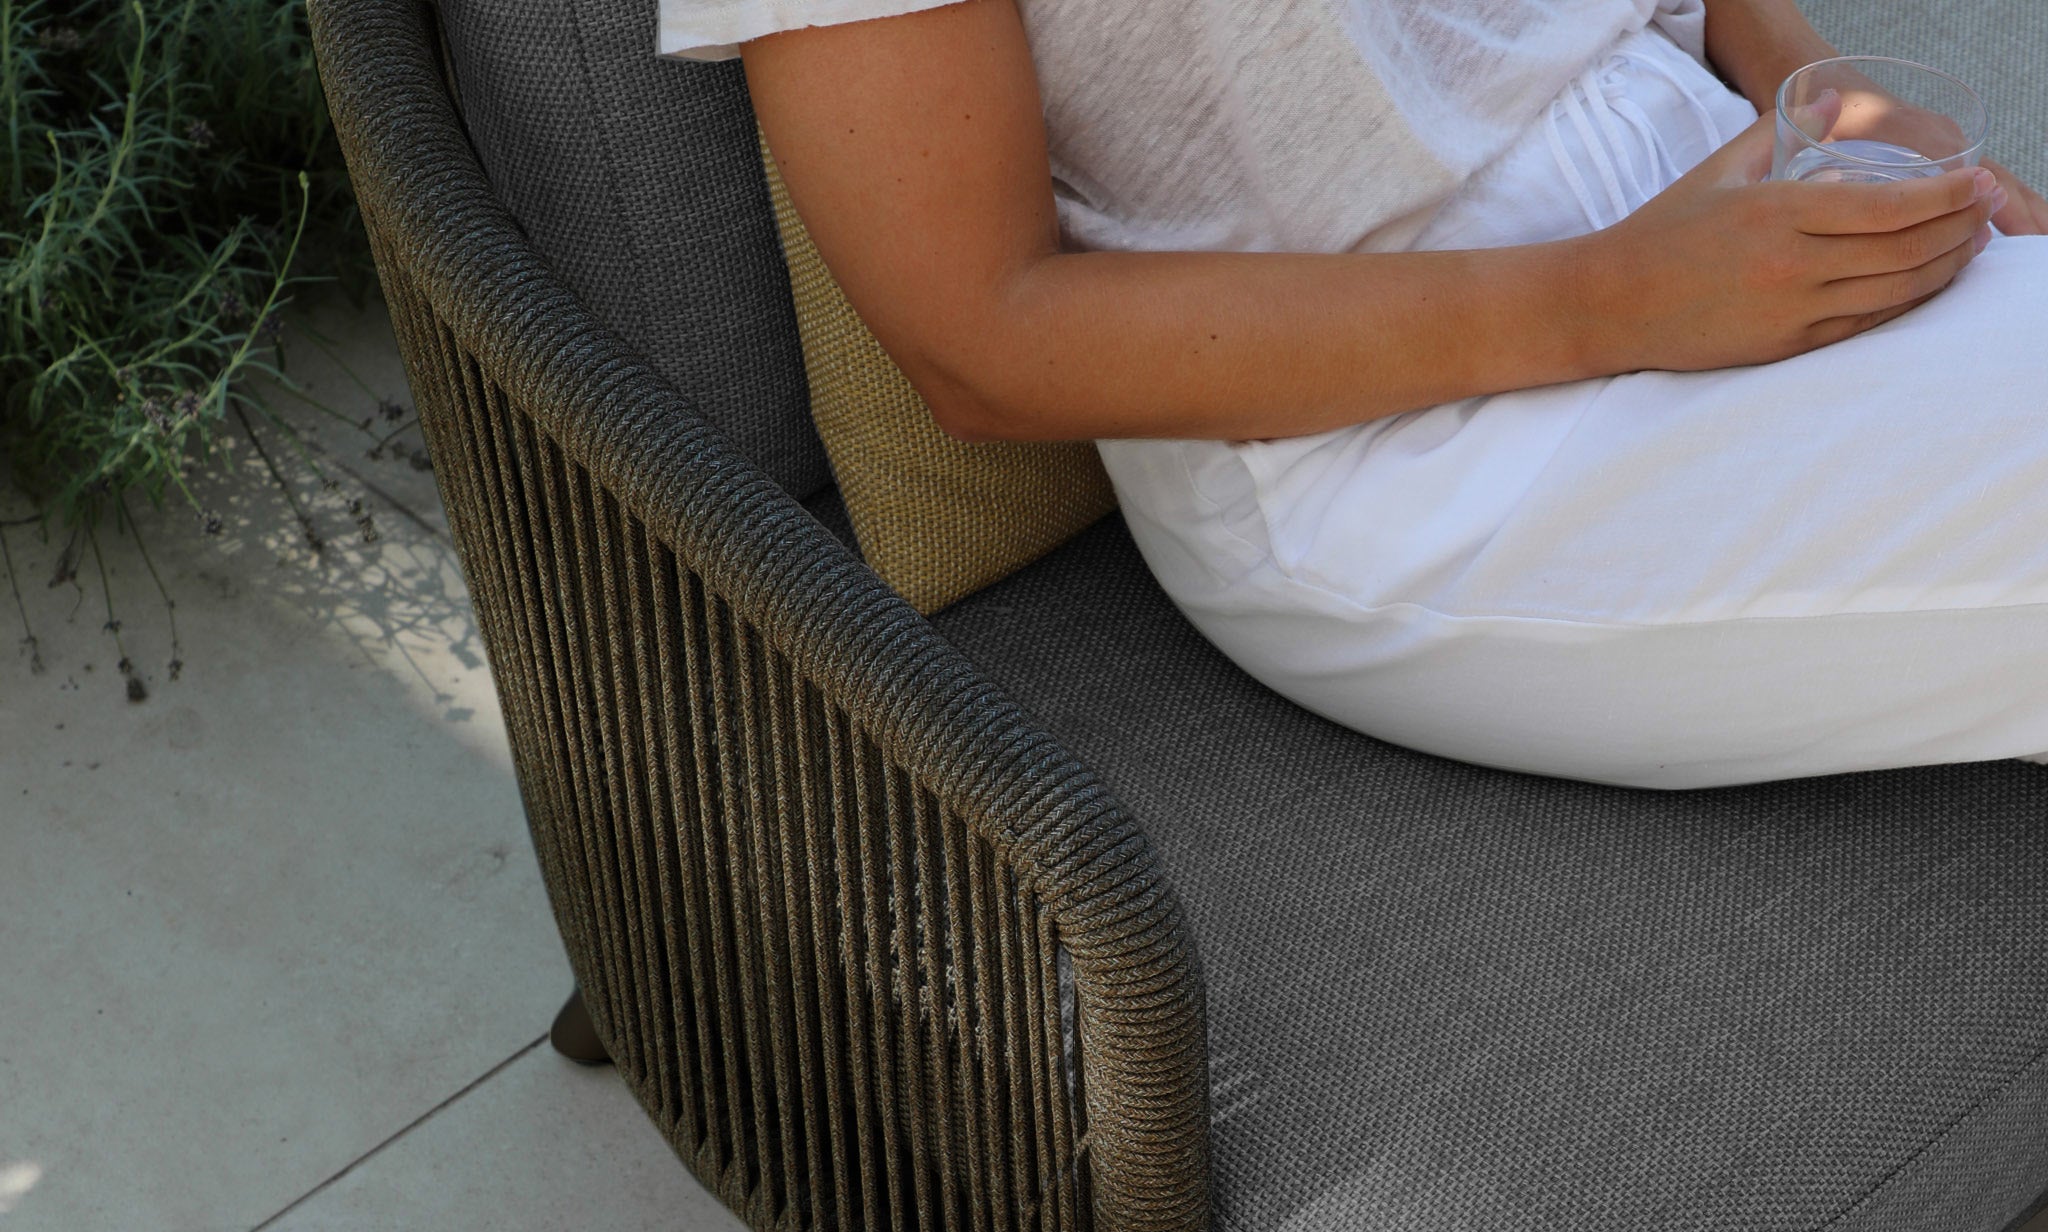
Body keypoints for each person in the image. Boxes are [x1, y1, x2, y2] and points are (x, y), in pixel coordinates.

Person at [661, 0, 2048, 788]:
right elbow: (984, 344)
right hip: (1397, 436)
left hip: (1734, 202)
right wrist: (1611, 298)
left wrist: (1839, 108)